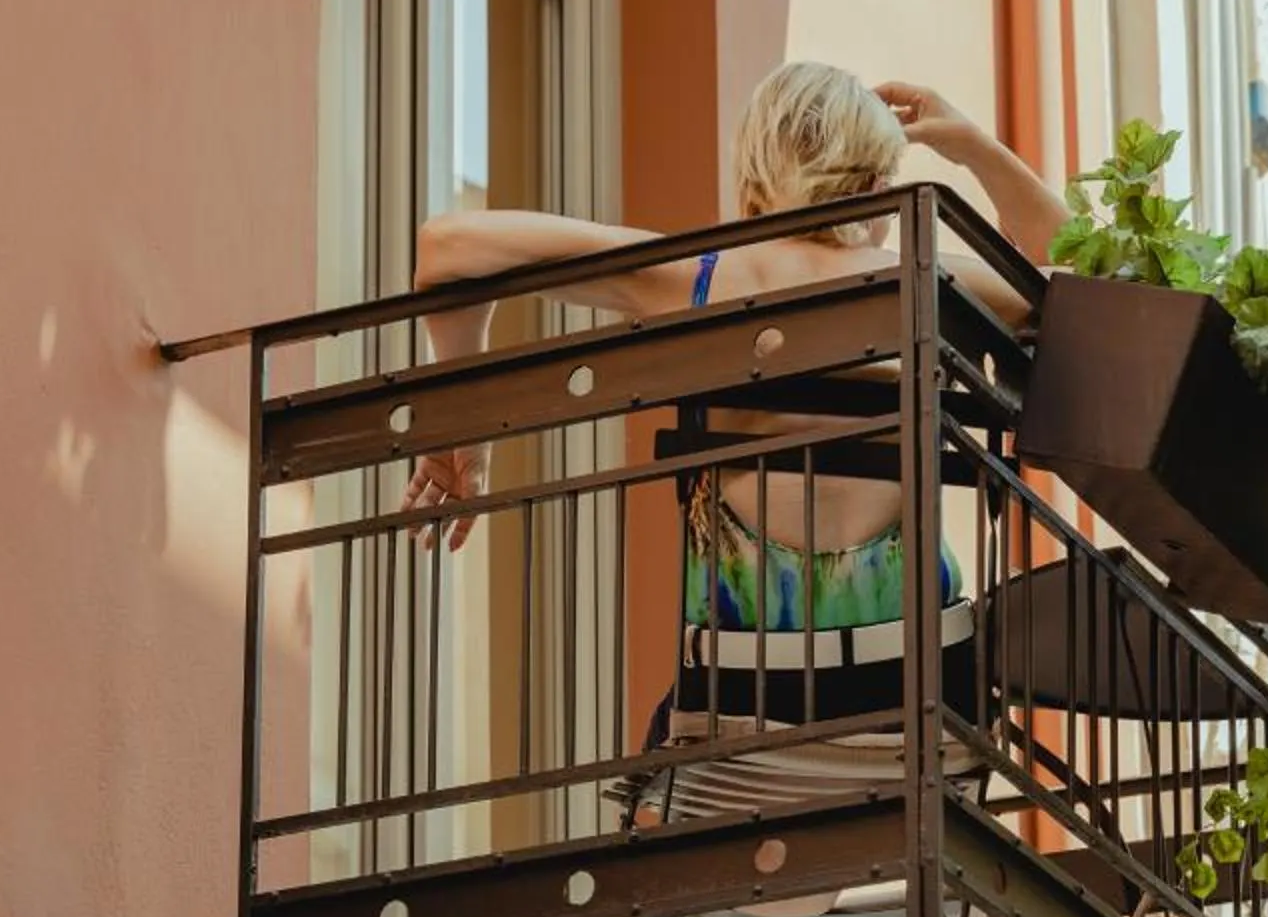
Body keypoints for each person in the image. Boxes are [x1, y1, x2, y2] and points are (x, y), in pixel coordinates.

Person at [398, 63, 1059, 576]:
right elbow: (1103, 290)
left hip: (736, 692)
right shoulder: (927, 281)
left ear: (751, 183)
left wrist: (466, 414)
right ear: (879, 187)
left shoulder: (697, 279)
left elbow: (448, 247)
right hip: (913, 685)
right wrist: (974, 147)